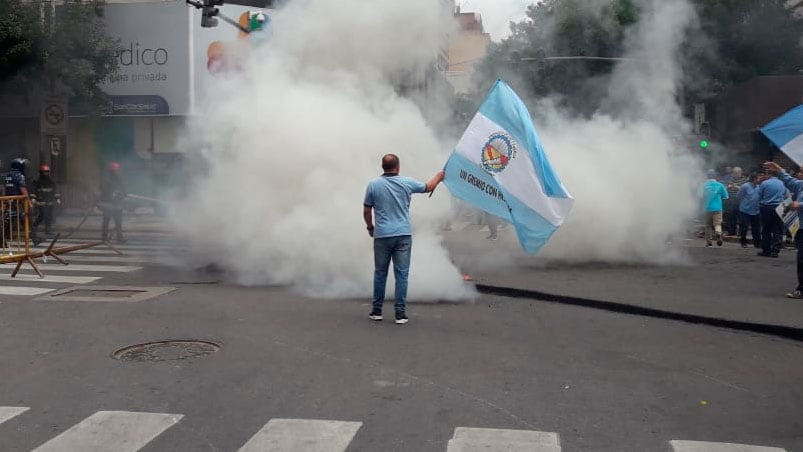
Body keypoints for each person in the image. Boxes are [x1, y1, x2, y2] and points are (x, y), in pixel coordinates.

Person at [363, 154, 444, 324]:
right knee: (401, 275)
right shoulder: (407, 182)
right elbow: (428, 187)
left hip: (382, 235)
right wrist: (439, 176)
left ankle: (377, 310)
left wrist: (371, 228)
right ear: (398, 167)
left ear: (382, 167)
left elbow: (367, 210)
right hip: (403, 235)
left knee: (380, 273)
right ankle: (400, 313)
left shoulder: (373, 185)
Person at [762, 162, 803, 298]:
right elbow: (790, 181)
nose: (799, 174)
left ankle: (802, 290)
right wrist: (780, 170)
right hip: (801, 227)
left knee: (802, 259)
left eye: (802, 172)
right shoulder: (801, 184)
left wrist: (799, 204)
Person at [757, 166, 787, 257]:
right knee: (778, 230)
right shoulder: (782, 183)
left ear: (768, 174)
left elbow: (759, 195)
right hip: (779, 207)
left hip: (767, 207)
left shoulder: (764, 183)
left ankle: (766, 250)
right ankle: (775, 251)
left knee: (766, 230)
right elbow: (785, 194)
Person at [2, 158, 32, 248]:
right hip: (17, 202)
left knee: (6, 220)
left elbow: (5, 188)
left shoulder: (8, 175)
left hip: (8, 201)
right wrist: (29, 202)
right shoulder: (20, 176)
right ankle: (31, 236)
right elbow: (23, 189)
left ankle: (3, 239)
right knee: (24, 217)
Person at [30, 164, 61, 245]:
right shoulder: (37, 181)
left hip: (50, 202)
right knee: (43, 216)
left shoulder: (51, 181)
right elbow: (34, 190)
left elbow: (55, 190)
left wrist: (57, 198)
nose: (46, 173)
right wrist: (33, 198)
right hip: (41, 202)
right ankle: (33, 228)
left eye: (47, 172)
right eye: (45, 172)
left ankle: (48, 231)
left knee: (49, 216)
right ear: (41, 172)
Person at [699, 169, 728, 247]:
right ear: (715, 176)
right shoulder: (720, 185)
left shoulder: (703, 185)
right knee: (717, 224)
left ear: (707, 176)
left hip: (706, 208)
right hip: (717, 208)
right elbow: (725, 197)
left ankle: (709, 242)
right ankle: (718, 233)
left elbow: (700, 197)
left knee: (707, 225)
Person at [99, 161, 126, 243]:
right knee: (106, 220)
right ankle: (104, 237)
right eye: (115, 170)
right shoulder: (106, 179)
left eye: (117, 170)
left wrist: (122, 194)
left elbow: (124, 190)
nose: (116, 171)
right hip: (108, 204)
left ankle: (119, 236)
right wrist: (111, 194)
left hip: (117, 204)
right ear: (111, 170)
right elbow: (104, 190)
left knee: (118, 222)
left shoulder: (120, 179)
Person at [736, 173, 761, 248]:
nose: (759, 180)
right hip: (745, 210)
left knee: (756, 228)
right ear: (754, 179)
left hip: (756, 210)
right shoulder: (745, 186)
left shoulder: (758, 187)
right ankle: (743, 242)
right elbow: (739, 196)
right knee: (744, 227)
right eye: (758, 178)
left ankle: (757, 243)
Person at [725, 167, 747, 236]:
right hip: (730, 200)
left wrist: (737, 187)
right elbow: (724, 189)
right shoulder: (729, 179)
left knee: (741, 218)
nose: (736, 174)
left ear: (741, 173)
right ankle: (731, 232)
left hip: (740, 201)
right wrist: (727, 187)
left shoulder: (745, 180)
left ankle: (741, 233)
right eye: (734, 173)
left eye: (737, 173)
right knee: (730, 217)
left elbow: (746, 190)